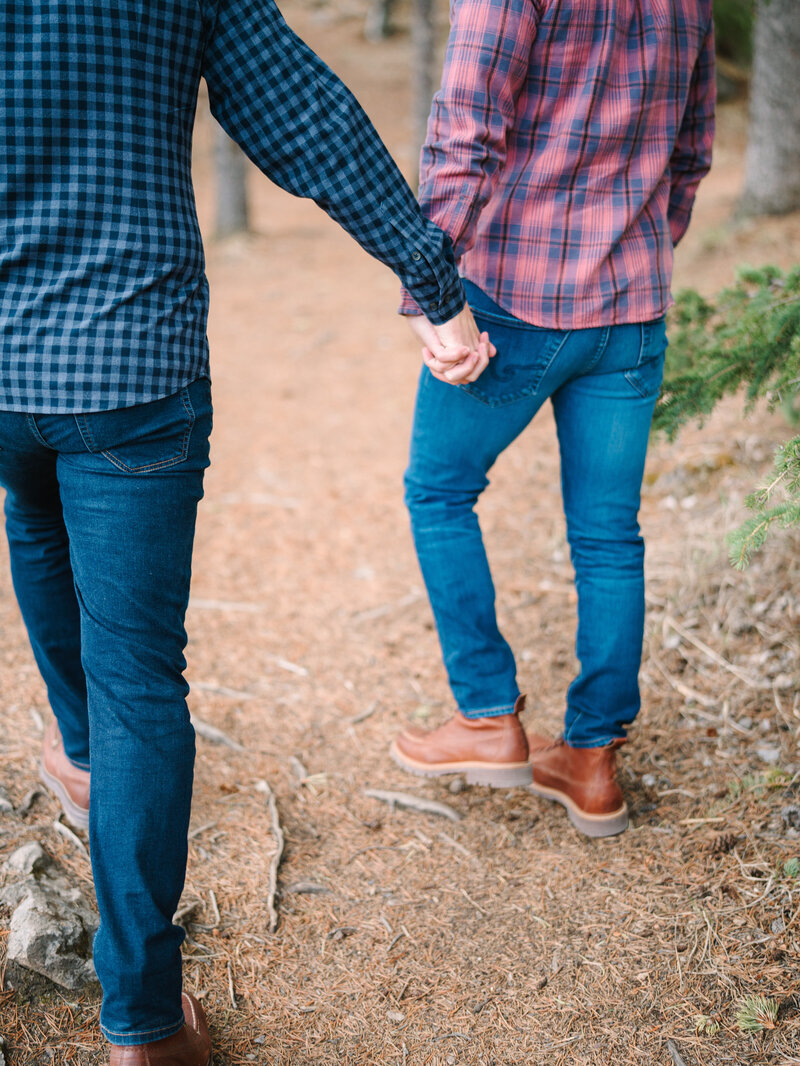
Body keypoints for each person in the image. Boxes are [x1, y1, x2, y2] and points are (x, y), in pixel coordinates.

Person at [0, 2, 490, 1063]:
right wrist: (430, 280)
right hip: (128, 360)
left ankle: (81, 750)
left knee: (30, 510)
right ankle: (141, 1021)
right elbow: (306, 117)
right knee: (137, 675)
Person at [390, 0, 715, 838]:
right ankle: (593, 760)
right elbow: (691, 151)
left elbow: (467, 131)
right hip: (631, 309)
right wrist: (640, 244)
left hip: (516, 301)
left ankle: (488, 716)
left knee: (438, 492)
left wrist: (431, 292)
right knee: (609, 536)